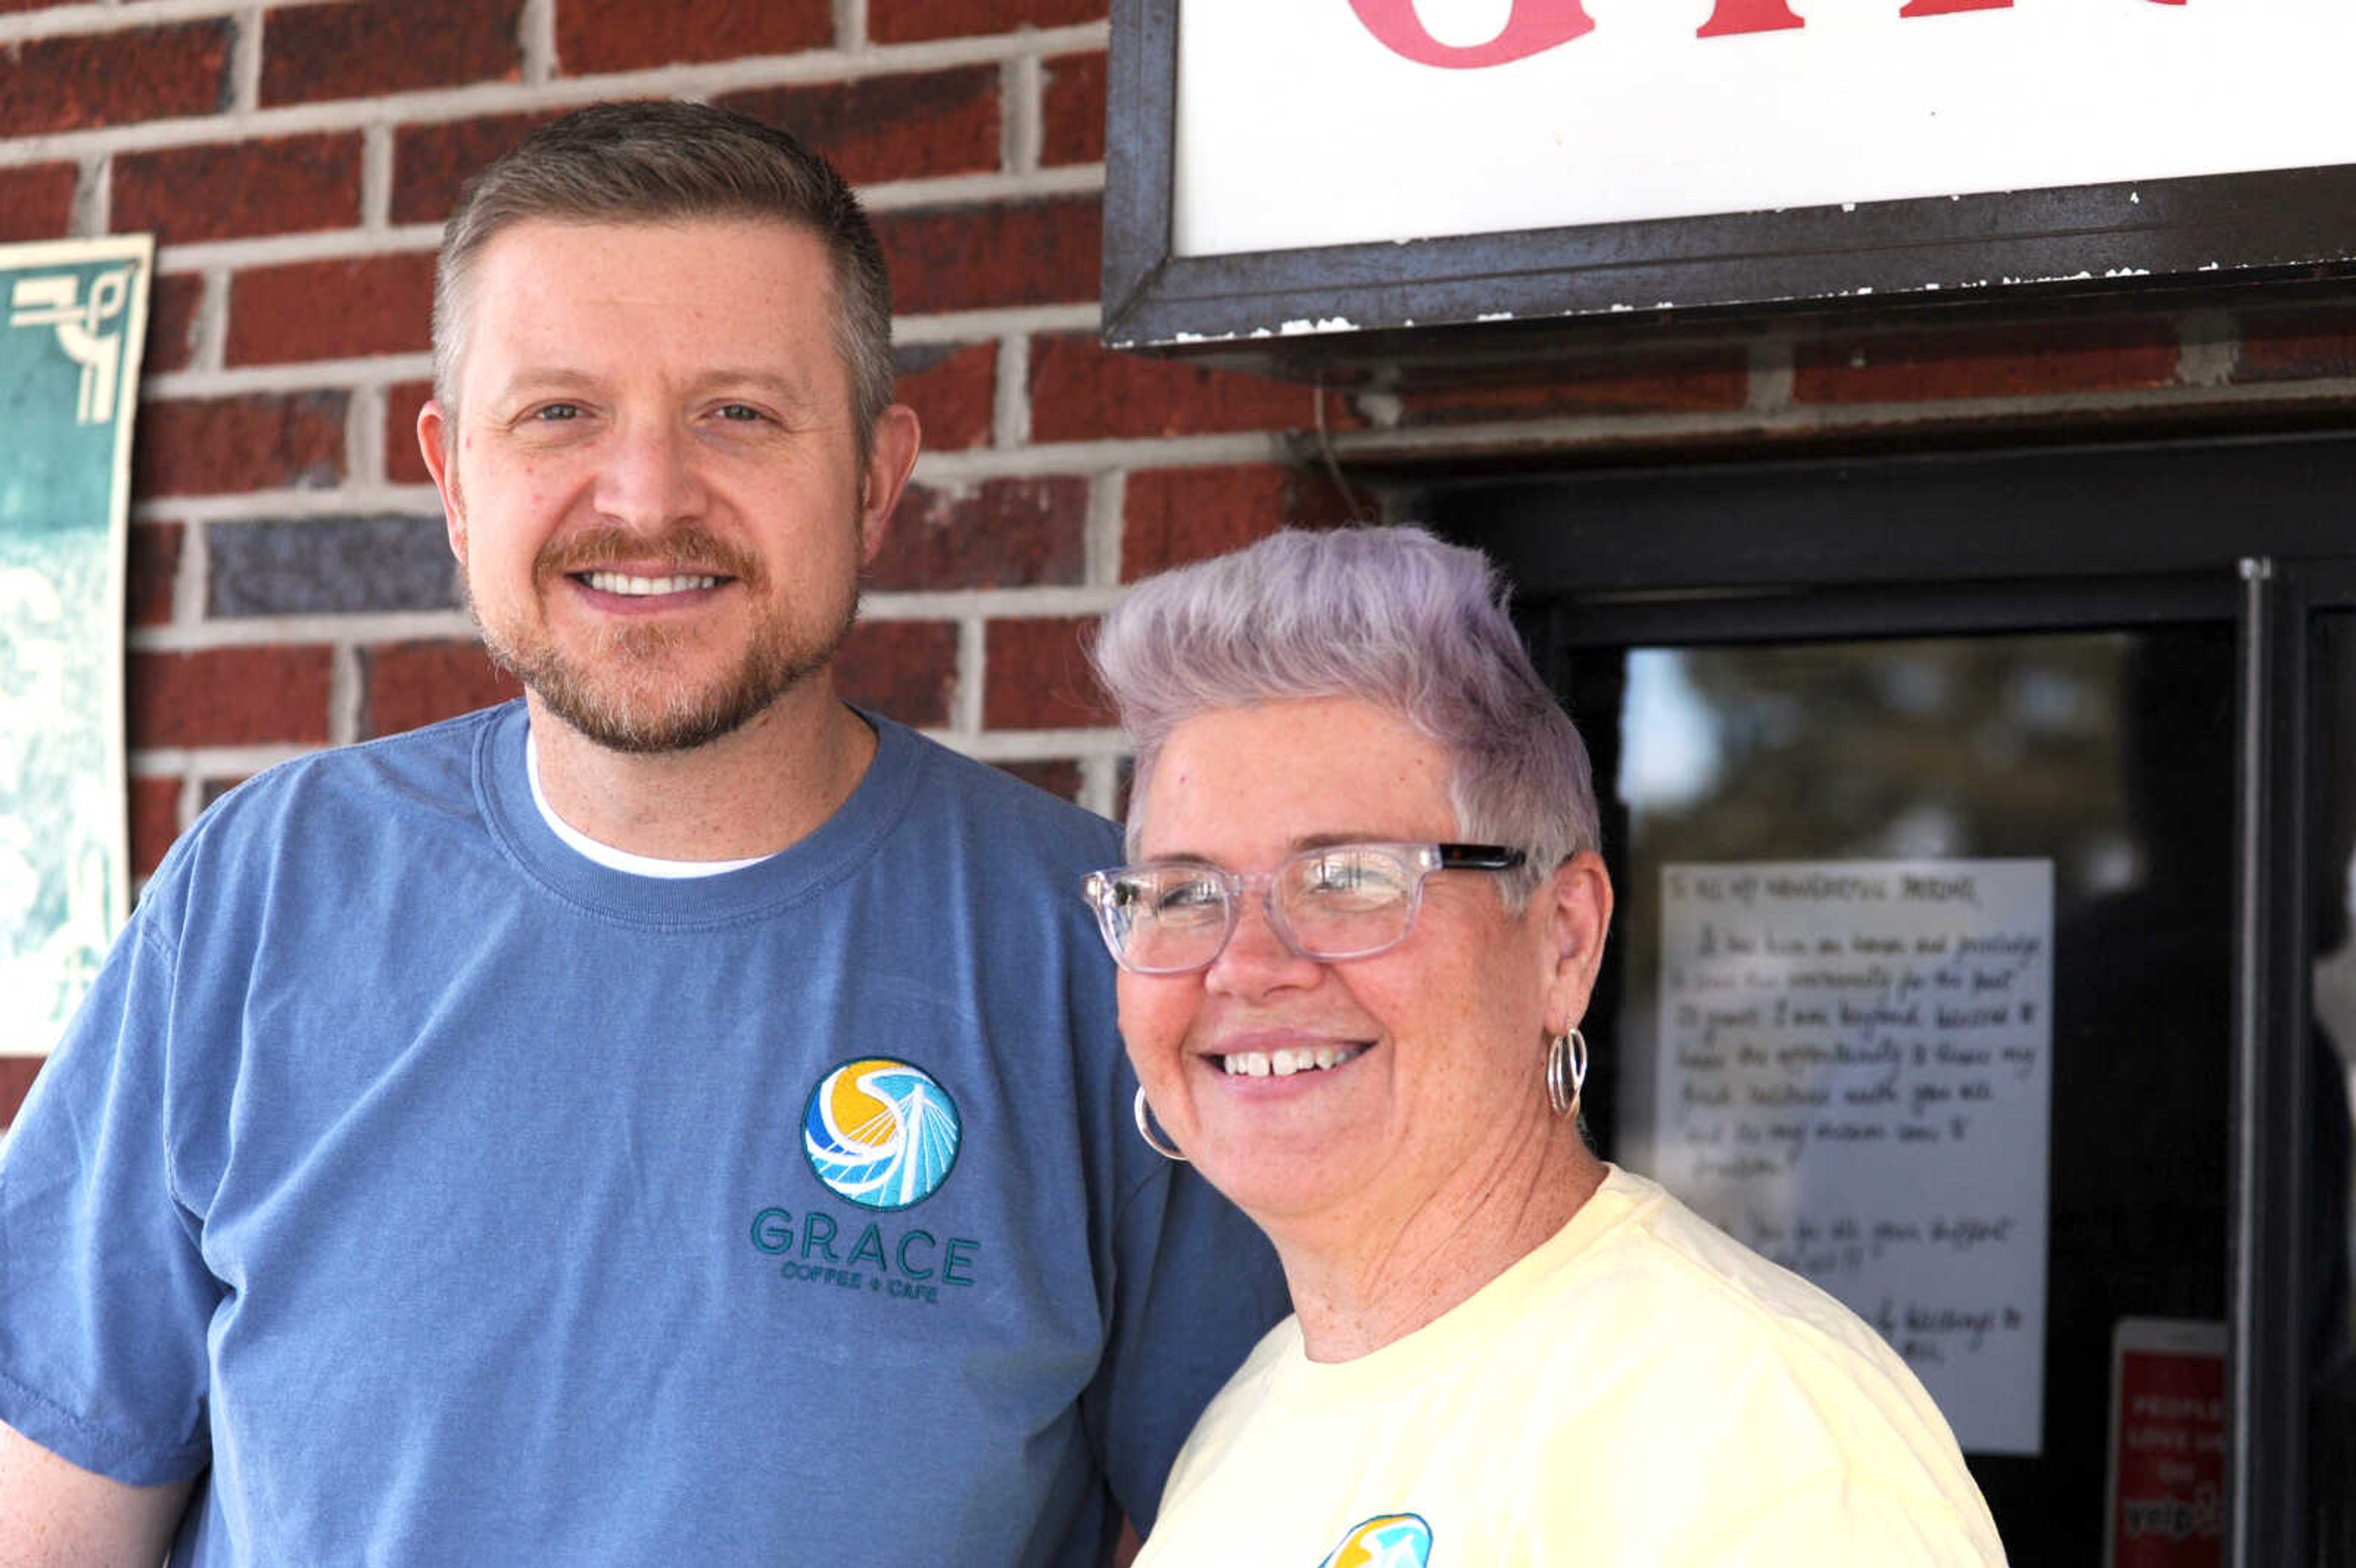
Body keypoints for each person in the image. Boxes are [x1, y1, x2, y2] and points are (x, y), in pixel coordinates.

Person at [0, 101, 1283, 1566]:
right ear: (453, 477)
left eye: (737, 413)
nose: (647, 498)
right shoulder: (265, 892)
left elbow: (1241, 1515)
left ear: (874, 477)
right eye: (559, 413)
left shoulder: (1100, 952)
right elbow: (47, 1519)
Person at [1082, 526, 2008, 1567]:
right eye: (1182, 893)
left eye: (1348, 879)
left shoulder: (1759, 1437)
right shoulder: (1249, 1421)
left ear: (1564, 939)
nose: (1245, 965)